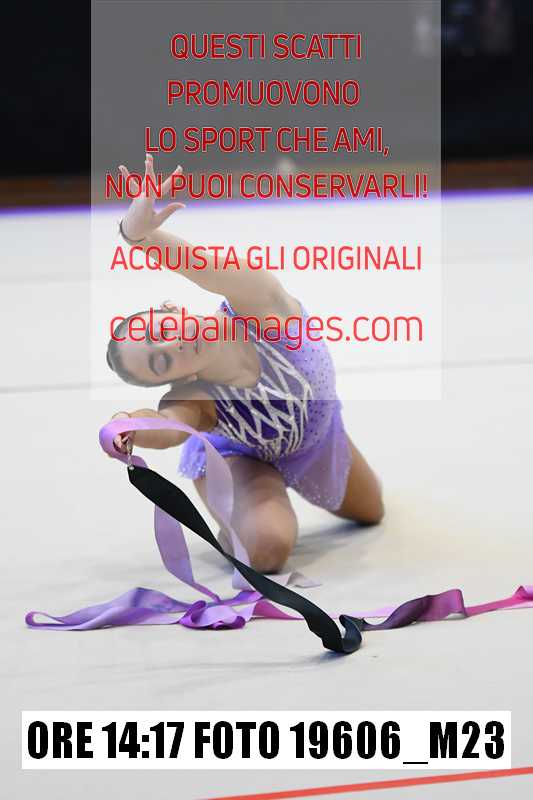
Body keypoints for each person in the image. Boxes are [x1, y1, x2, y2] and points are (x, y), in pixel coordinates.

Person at [106, 153, 384, 574]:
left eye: (161, 330)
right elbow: (168, 427)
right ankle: (235, 518)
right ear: (176, 378)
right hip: (241, 459)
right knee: (267, 550)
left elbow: (206, 268)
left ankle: (248, 510)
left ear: (171, 308)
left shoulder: (259, 306)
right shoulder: (196, 397)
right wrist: (129, 425)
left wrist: (140, 235)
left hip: (318, 439)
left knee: (372, 513)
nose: (173, 344)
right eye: (161, 362)